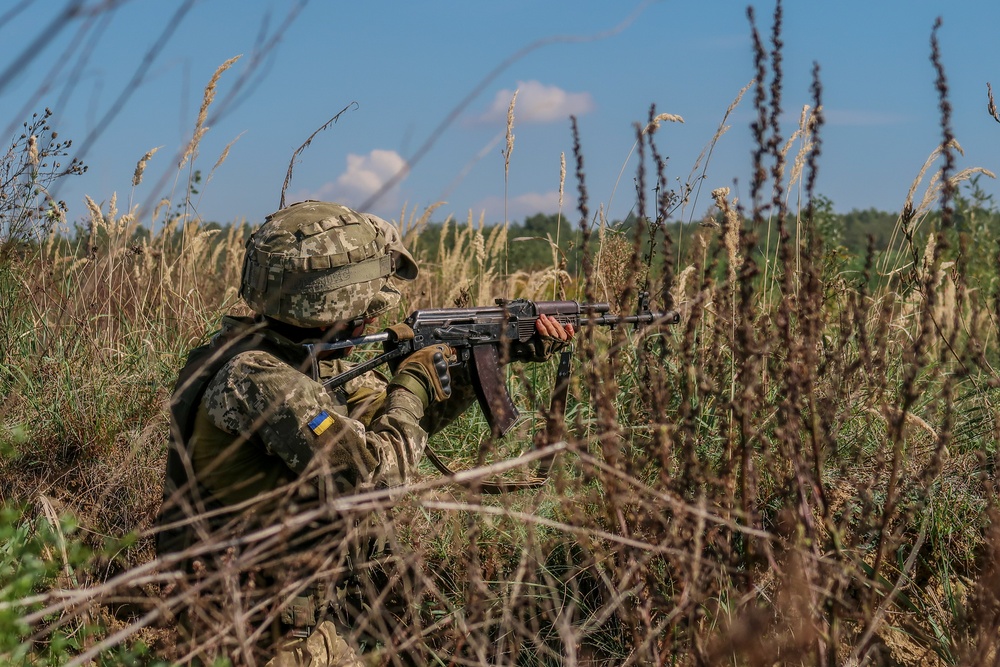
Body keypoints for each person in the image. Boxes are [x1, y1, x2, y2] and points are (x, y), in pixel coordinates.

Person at [155, 200, 574, 666]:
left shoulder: (290, 356)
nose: (375, 317)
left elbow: (393, 425)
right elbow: (377, 477)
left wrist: (490, 356)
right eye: (367, 305)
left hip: (298, 613)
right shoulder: (259, 380)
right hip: (254, 636)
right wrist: (411, 382)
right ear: (330, 301)